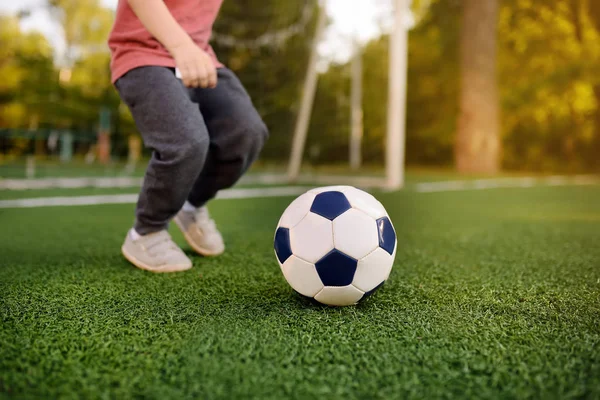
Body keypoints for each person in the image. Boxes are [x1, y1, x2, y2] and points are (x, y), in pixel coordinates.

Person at [108, 0, 269, 273]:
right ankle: (146, 232)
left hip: (201, 57)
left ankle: (191, 205)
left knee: (246, 133)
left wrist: (190, 50)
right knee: (187, 141)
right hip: (143, 54)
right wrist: (180, 46)